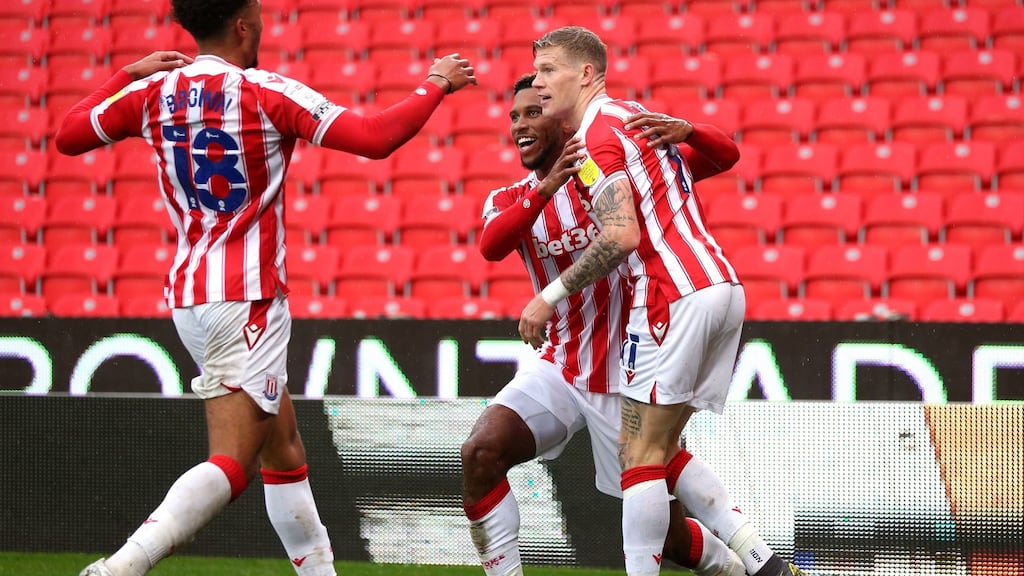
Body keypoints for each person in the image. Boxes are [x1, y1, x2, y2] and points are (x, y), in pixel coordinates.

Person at [54, 1, 475, 575]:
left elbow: (68, 135)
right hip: (248, 298)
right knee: (233, 461)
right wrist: (436, 84)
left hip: (190, 296)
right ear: (243, 25)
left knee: (283, 447)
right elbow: (375, 138)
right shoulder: (265, 92)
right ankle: (119, 569)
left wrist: (125, 74)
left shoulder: (151, 92)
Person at [519, 27, 805, 576]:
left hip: (668, 295)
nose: (538, 81)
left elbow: (621, 236)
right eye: (536, 71)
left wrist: (548, 297)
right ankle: (762, 563)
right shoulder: (633, 116)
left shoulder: (594, 139)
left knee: (641, 458)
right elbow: (726, 155)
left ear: (586, 74)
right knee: (654, 446)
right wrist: (693, 129)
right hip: (720, 286)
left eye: (549, 69)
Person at [461, 73, 756, 576]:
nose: (519, 125)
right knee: (481, 451)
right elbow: (490, 244)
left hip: (630, 367)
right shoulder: (510, 197)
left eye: (533, 113)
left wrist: (689, 129)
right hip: (560, 363)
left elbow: (722, 156)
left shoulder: (616, 176)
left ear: (561, 117)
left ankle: (729, 566)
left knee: (663, 528)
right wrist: (545, 187)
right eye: (514, 116)